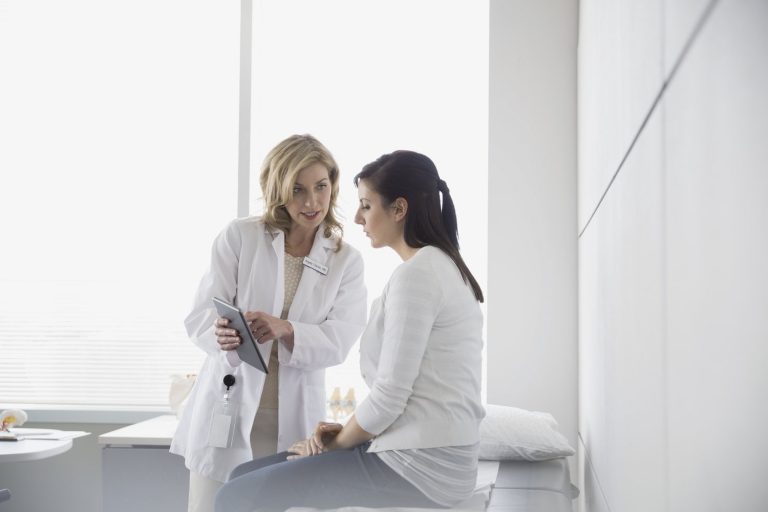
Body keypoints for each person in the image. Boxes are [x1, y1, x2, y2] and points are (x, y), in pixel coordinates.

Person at [215, 150, 485, 511]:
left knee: (236, 495)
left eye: (366, 206)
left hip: (422, 467)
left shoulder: (418, 276)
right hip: (425, 454)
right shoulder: (442, 267)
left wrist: (338, 444)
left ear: (399, 209)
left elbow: (390, 395)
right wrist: (345, 433)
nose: (357, 217)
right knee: (241, 476)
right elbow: (412, 393)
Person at [170, 134, 367, 512]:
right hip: (229, 406)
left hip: (293, 415)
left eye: (321, 187)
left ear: (333, 185)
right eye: (297, 189)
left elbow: (340, 341)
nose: (312, 202)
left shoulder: (346, 260)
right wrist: (220, 333)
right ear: (278, 189)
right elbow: (200, 316)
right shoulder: (241, 236)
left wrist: (287, 328)